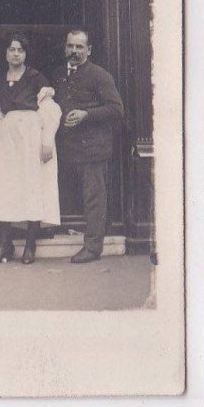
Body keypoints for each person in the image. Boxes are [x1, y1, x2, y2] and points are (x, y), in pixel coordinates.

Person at [0, 33, 62, 265]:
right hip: (9, 137)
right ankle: (5, 244)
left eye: (20, 50)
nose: (15, 53)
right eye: (11, 49)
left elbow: (50, 110)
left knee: (32, 184)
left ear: (26, 54)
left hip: (31, 135)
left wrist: (47, 141)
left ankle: (30, 243)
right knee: (5, 186)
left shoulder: (36, 77)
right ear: (6, 53)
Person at [52, 29, 125, 264]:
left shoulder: (99, 75)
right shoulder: (59, 74)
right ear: (65, 48)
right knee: (80, 196)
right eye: (71, 46)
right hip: (68, 147)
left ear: (89, 50)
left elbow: (117, 109)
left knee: (94, 197)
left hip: (94, 148)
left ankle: (93, 248)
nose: (74, 51)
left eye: (79, 47)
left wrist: (86, 114)